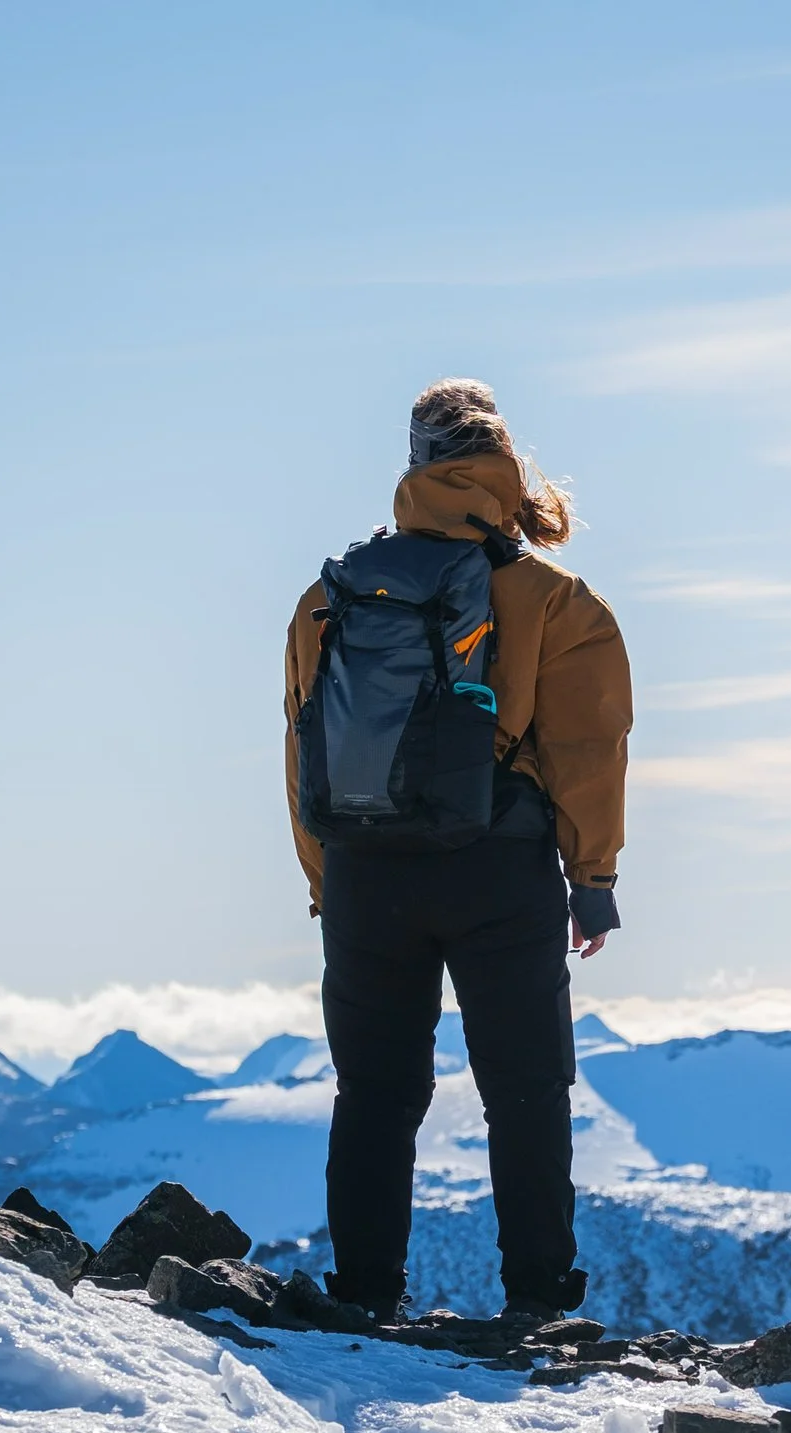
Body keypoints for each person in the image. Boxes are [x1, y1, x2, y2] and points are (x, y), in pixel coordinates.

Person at [282, 379, 630, 1324]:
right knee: (525, 1091)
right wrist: (591, 879)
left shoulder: (333, 595)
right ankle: (539, 1301)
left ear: (414, 464)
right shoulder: (555, 599)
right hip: (496, 866)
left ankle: (364, 1296)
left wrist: (328, 882)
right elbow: (587, 751)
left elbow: (302, 746)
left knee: (377, 1091)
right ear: (506, 460)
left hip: (363, 870)